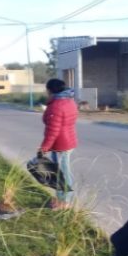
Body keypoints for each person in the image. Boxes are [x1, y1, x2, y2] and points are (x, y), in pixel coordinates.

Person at [38, 78, 78, 209]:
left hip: (61, 144)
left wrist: (44, 148)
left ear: (50, 90)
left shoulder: (56, 106)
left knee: (62, 174)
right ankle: (61, 199)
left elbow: (53, 131)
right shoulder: (69, 101)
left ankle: (64, 202)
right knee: (61, 172)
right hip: (68, 141)